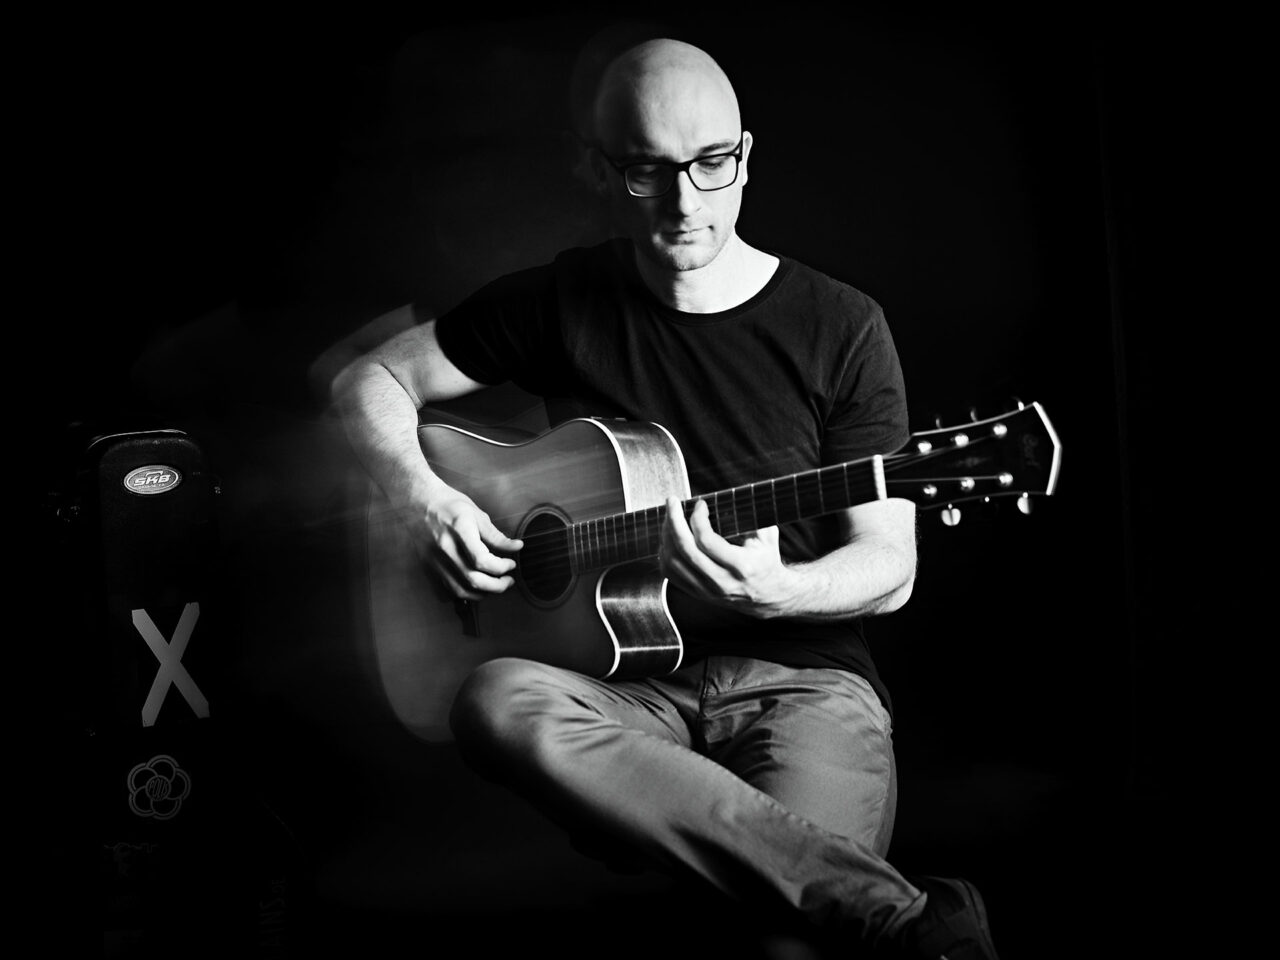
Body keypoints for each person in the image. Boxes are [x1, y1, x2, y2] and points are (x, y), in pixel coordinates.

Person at [335, 37, 999, 960]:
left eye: (711, 162)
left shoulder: (841, 326)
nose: (686, 201)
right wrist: (424, 498)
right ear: (600, 171)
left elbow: (890, 568)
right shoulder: (564, 300)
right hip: (623, 693)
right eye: (648, 171)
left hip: (803, 686)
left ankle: (862, 909)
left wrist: (782, 591)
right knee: (494, 697)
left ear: (746, 157)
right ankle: (900, 918)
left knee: (786, 948)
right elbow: (367, 381)